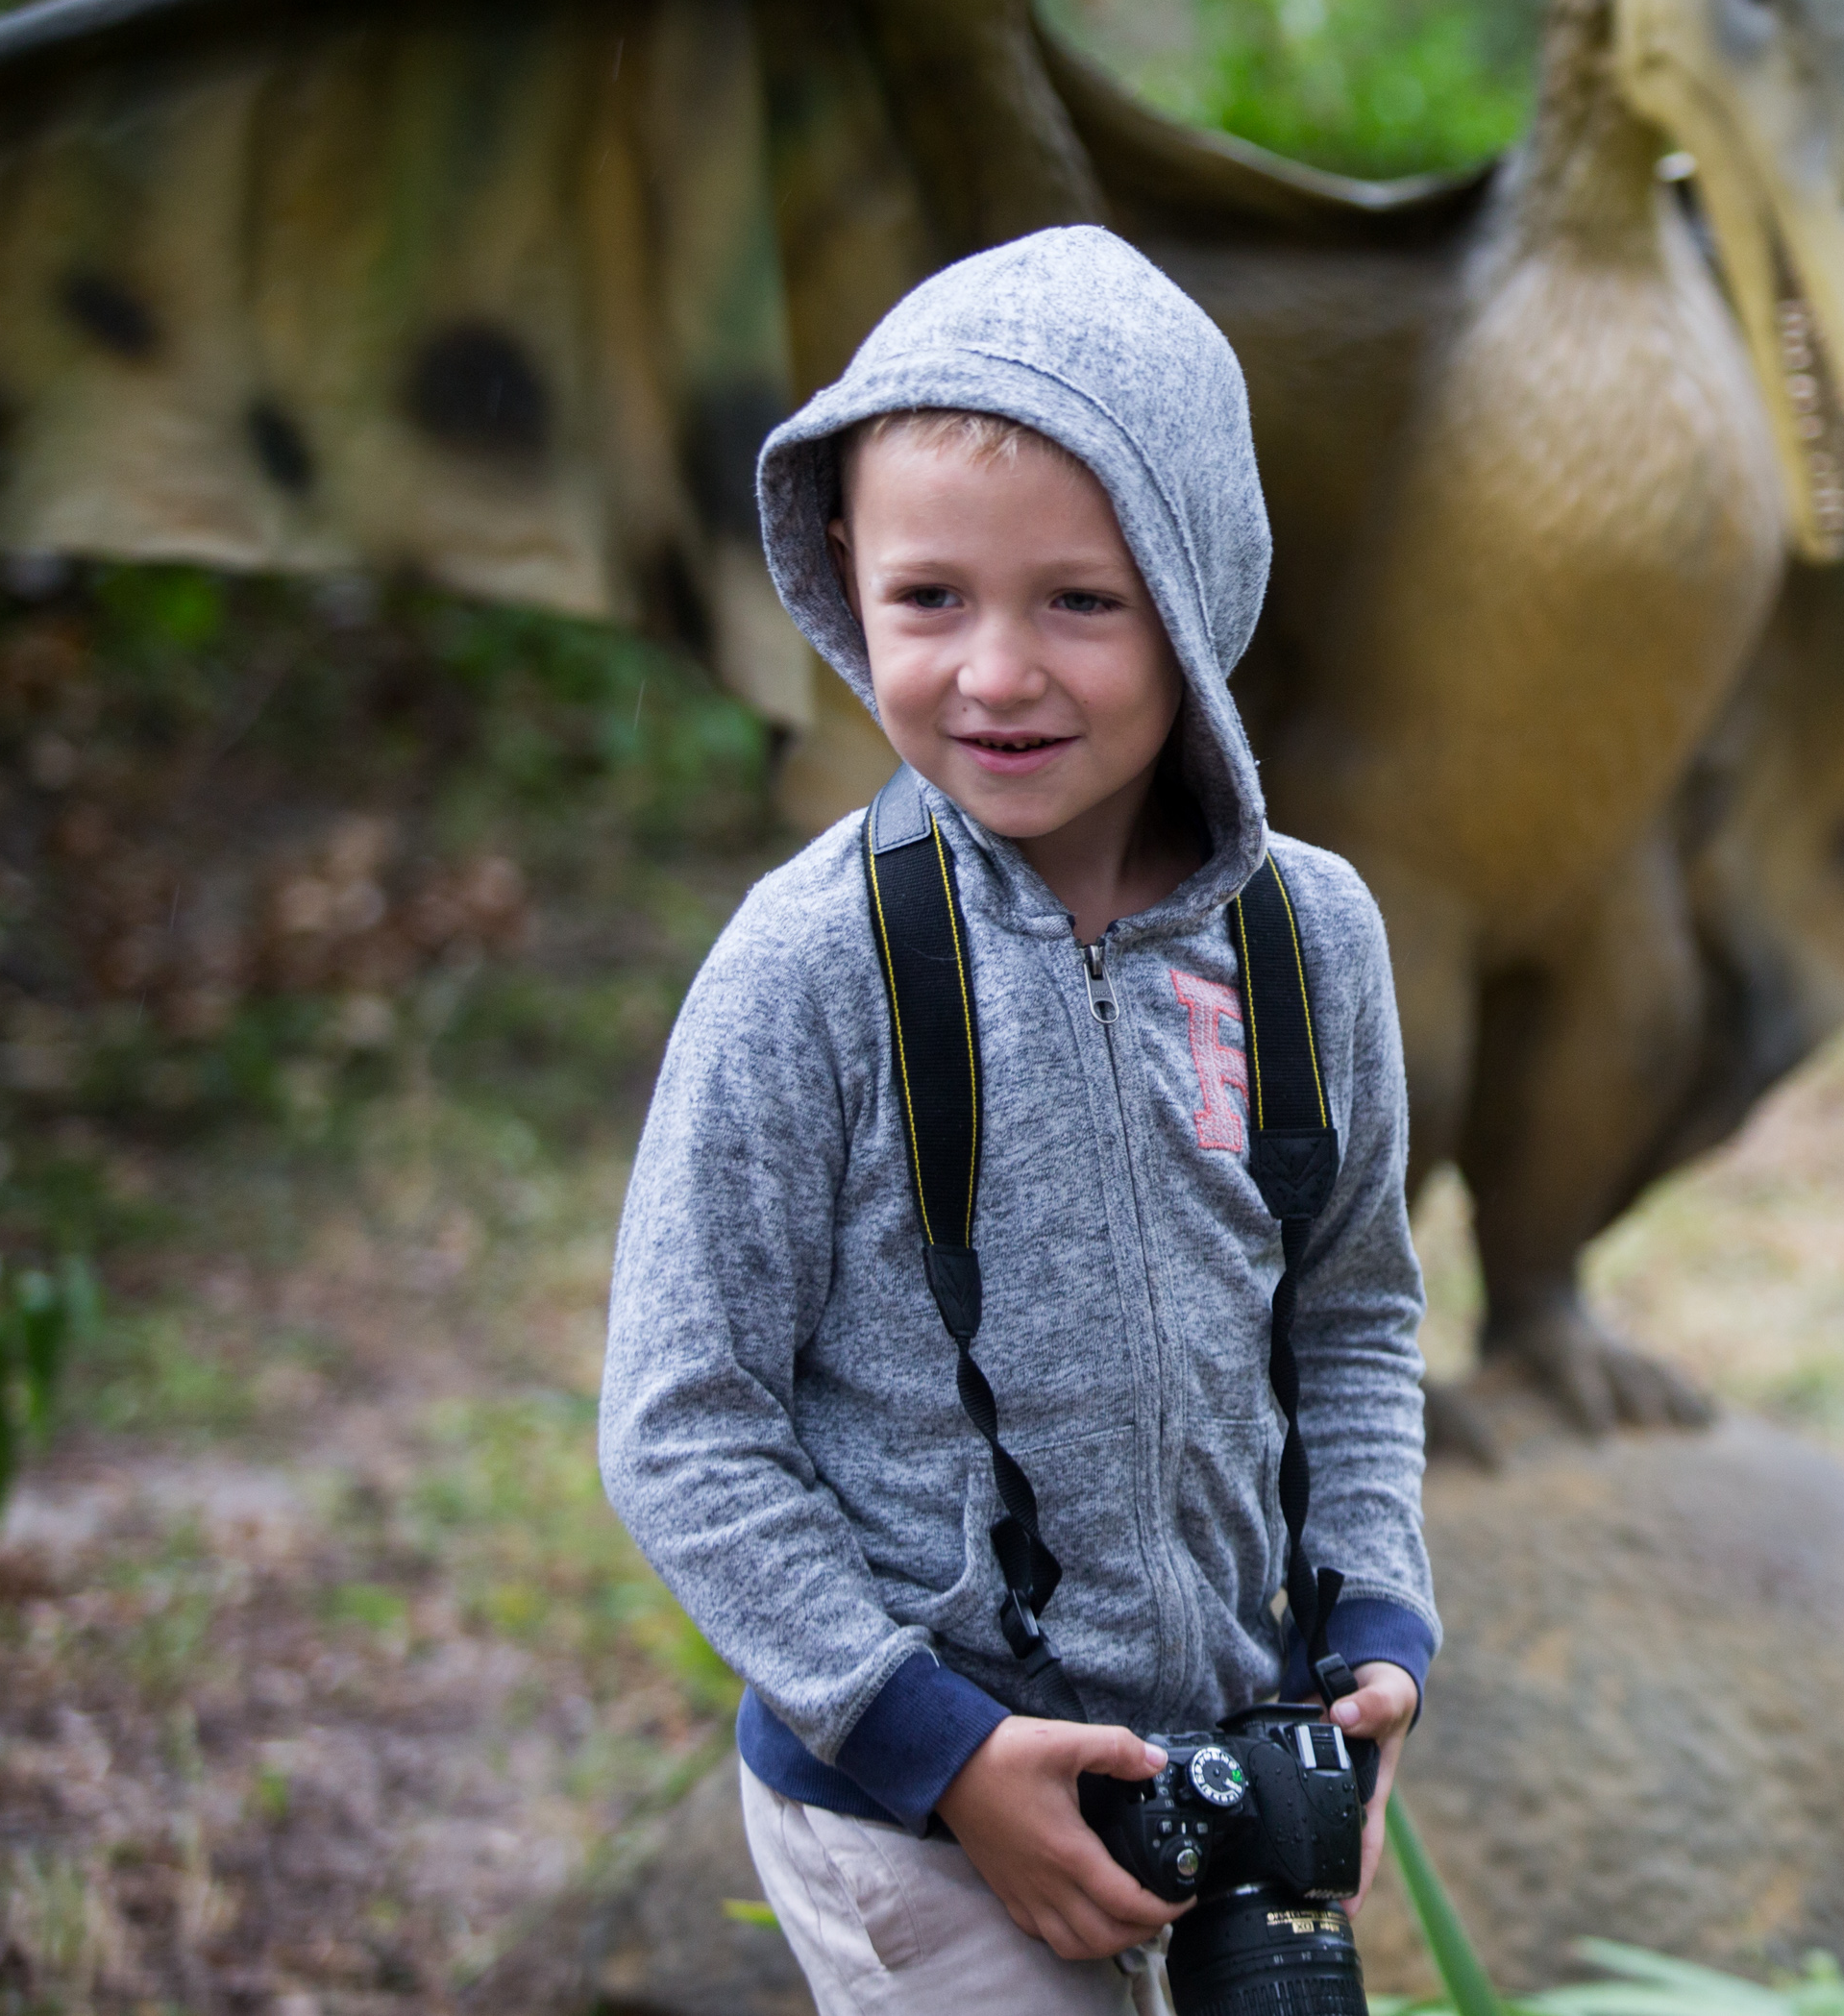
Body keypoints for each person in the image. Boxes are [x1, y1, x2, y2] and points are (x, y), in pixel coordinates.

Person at [600, 225, 1438, 2016]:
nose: (995, 673)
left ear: (1198, 590)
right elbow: (683, 1423)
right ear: (845, 578)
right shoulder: (809, 970)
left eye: (1080, 600)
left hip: (1219, 1772)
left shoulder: (1313, 945)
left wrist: (1372, 1639)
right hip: (914, 1810)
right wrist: (941, 1753)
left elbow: (1352, 1312)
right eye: (929, 601)